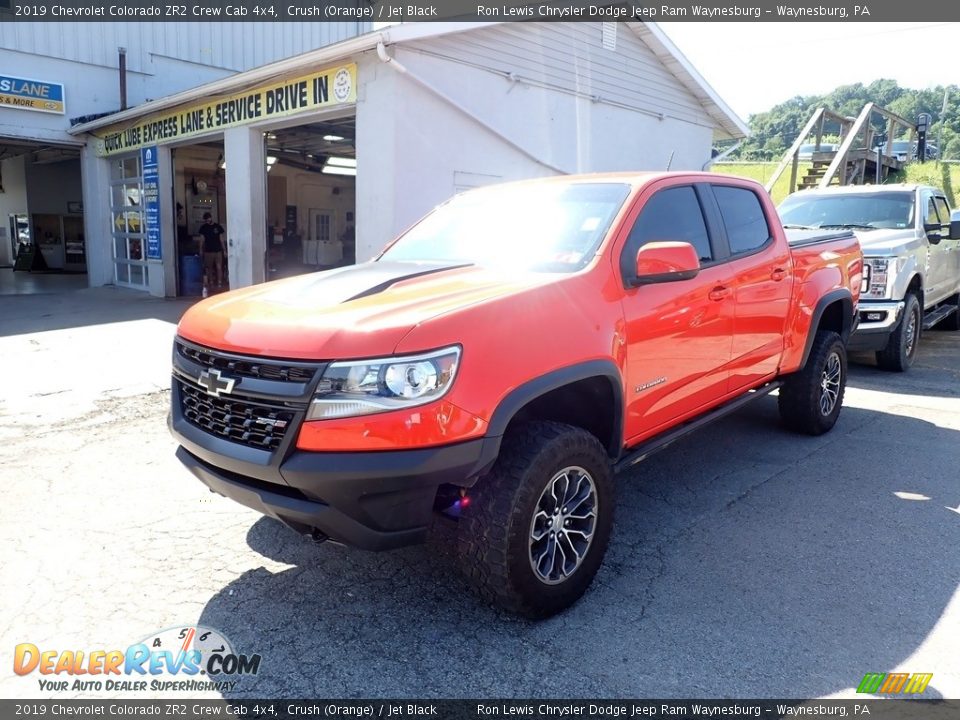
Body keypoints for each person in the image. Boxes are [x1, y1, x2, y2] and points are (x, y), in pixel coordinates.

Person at [198, 212, 226, 288]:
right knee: (209, 268)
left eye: (208, 219)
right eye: (206, 220)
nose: (207, 221)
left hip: (218, 250)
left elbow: (221, 239)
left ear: (211, 217)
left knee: (219, 267)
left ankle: (219, 282)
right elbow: (202, 240)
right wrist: (200, 249)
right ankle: (211, 282)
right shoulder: (203, 228)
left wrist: (224, 250)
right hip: (208, 251)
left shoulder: (218, 227)